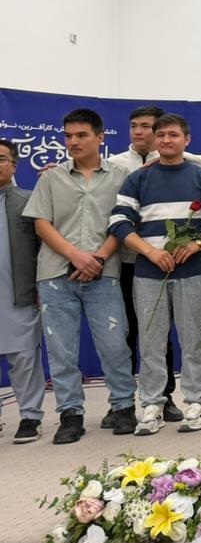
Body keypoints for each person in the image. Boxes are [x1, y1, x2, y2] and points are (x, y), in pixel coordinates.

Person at [23, 109, 138, 442]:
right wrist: (75, 255)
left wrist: (97, 257)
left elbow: (125, 221)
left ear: (100, 137)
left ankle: (123, 406)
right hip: (55, 275)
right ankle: (70, 415)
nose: (73, 141)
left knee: (115, 344)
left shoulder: (121, 177)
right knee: (61, 350)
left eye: (81, 135)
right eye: (68, 136)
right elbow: (41, 223)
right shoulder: (51, 177)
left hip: (104, 272)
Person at [108, 105, 201, 426]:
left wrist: (197, 244)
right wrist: (149, 252)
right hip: (148, 273)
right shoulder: (137, 179)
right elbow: (119, 222)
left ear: (187, 140)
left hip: (192, 272)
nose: (166, 140)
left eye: (173, 135)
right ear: (154, 139)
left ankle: (196, 403)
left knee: (193, 341)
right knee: (151, 343)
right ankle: (152, 405)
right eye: (161, 135)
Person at [0, 140, 46, 444]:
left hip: (16, 291)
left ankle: (30, 416)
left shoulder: (27, 202)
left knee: (24, 355)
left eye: (1, 159)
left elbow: (43, 247)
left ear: (14, 166)